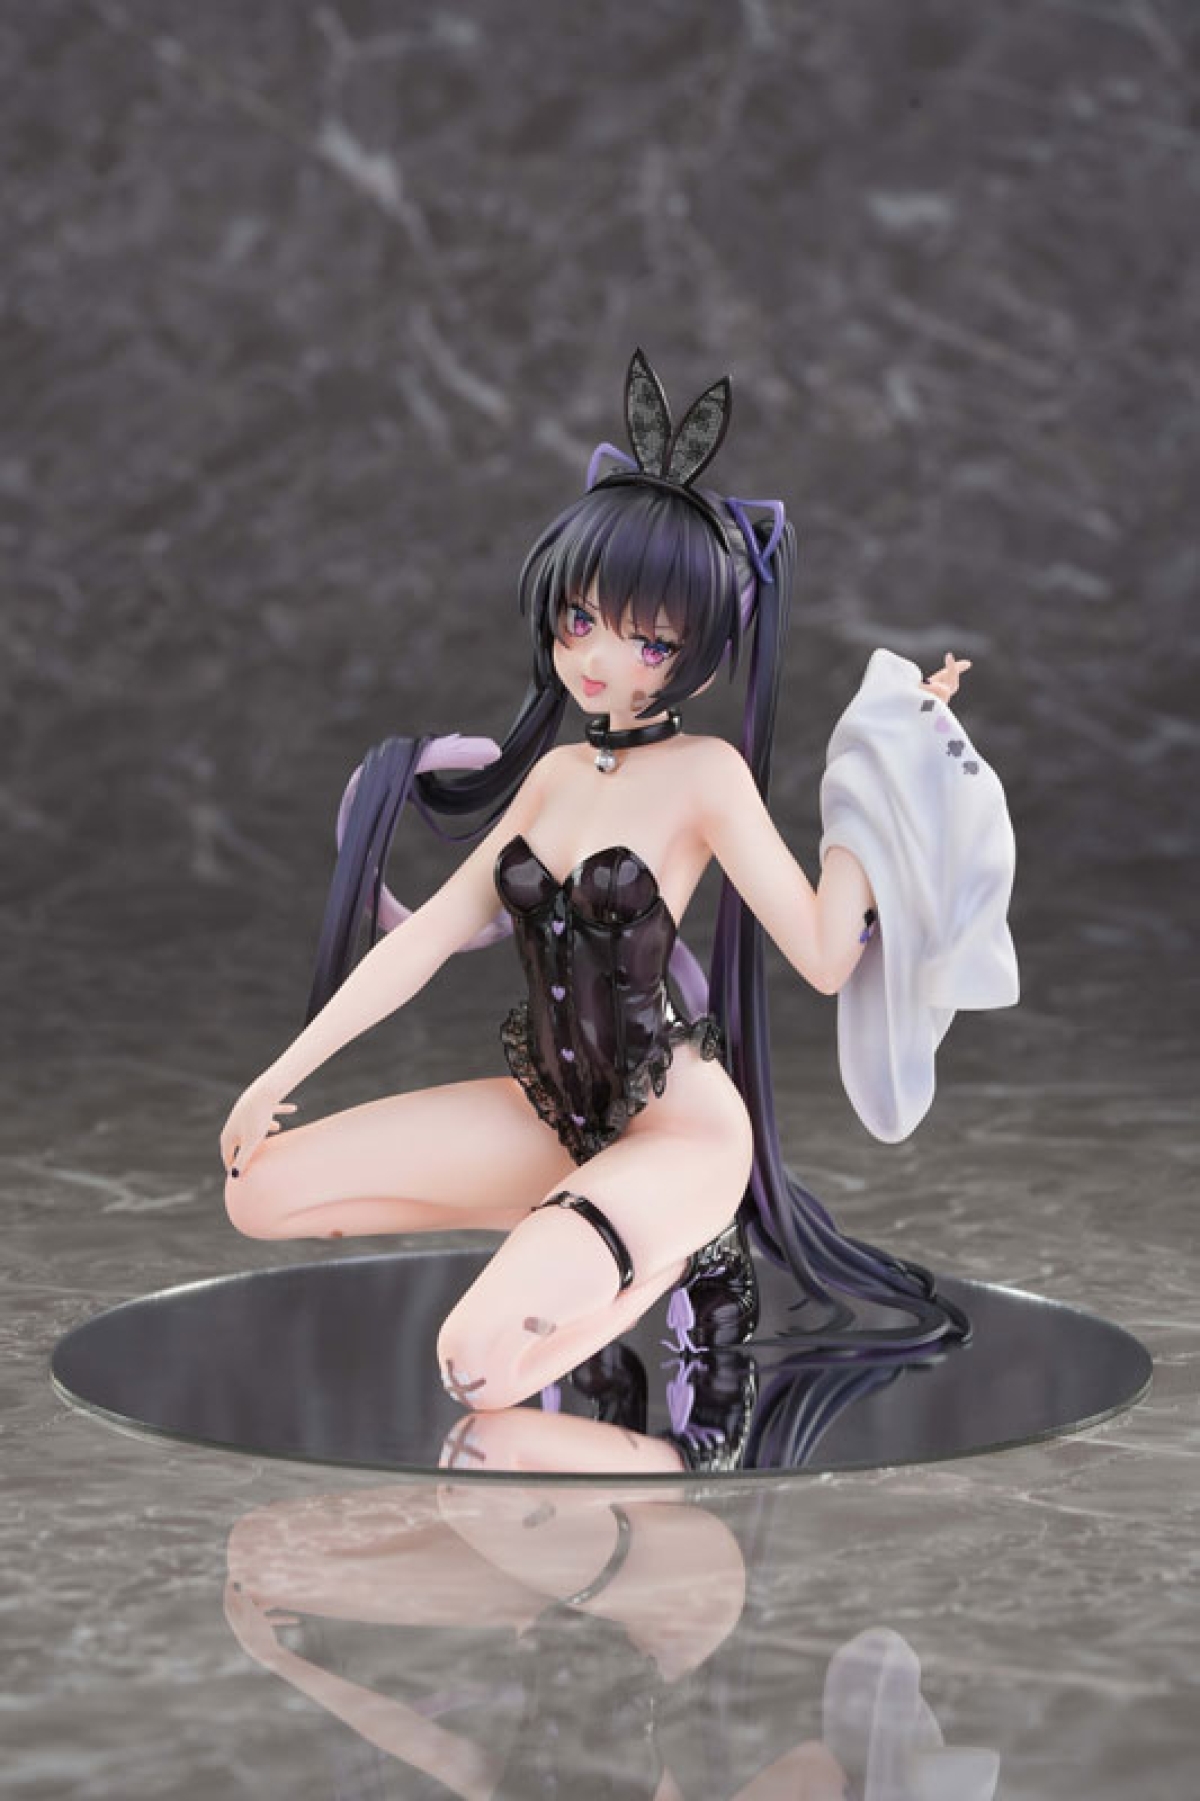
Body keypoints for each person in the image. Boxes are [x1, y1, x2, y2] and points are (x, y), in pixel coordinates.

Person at [219, 349, 1019, 1414]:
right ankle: (575, 1226)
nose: (599, 657)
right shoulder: (553, 776)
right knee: (257, 1192)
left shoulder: (708, 776)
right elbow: (424, 940)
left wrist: (882, 786)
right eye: (580, 621)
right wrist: (278, 1074)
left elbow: (829, 959)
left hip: (679, 1132)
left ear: (698, 654)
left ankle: (677, 1248)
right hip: (552, 1113)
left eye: (648, 639)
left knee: (475, 1364)